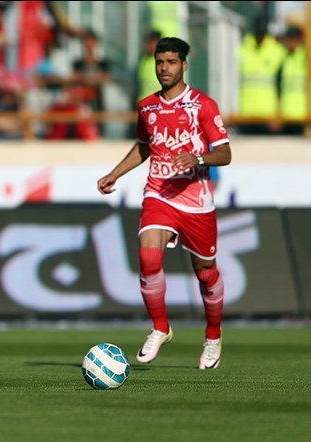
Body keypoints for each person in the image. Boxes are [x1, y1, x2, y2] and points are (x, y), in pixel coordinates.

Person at [96, 37, 231, 370]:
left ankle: (213, 336)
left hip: (197, 200)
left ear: (185, 65)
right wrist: (115, 173)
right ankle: (160, 327)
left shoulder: (203, 105)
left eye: (171, 62)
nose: (164, 69)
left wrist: (198, 157)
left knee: (205, 273)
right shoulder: (146, 107)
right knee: (147, 255)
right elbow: (144, 147)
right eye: (160, 62)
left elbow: (225, 153)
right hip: (159, 193)